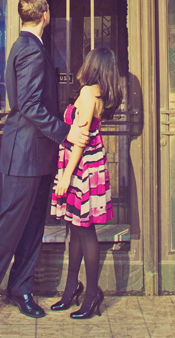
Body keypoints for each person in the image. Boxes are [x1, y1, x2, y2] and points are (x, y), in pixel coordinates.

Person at [0, 0, 89, 326]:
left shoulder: (23, 47)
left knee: (33, 226)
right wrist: (66, 133)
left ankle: (19, 289)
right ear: (45, 15)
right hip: (25, 155)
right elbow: (31, 107)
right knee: (9, 224)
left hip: (35, 155)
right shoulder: (31, 52)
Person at [49, 46, 123, 319]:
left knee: (85, 231)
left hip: (80, 167)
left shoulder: (88, 93)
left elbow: (79, 139)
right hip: (91, 166)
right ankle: (72, 289)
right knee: (77, 228)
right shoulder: (99, 94)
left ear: (91, 66)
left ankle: (91, 294)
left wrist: (67, 174)